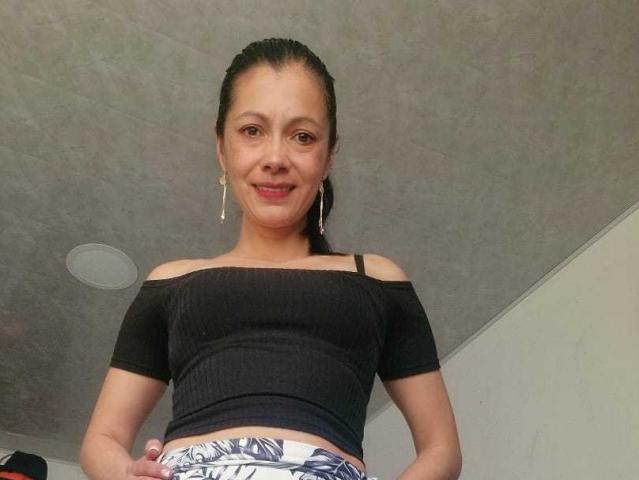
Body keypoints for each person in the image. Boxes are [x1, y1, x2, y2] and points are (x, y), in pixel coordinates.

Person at [79, 38, 462, 480]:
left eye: (303, 137)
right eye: (252, 131)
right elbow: (101, 439)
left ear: (328, 156)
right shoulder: (171, 281)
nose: (276, 158)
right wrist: (126, 474)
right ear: (221, 146)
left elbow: (441, 449)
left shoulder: (376, 280)